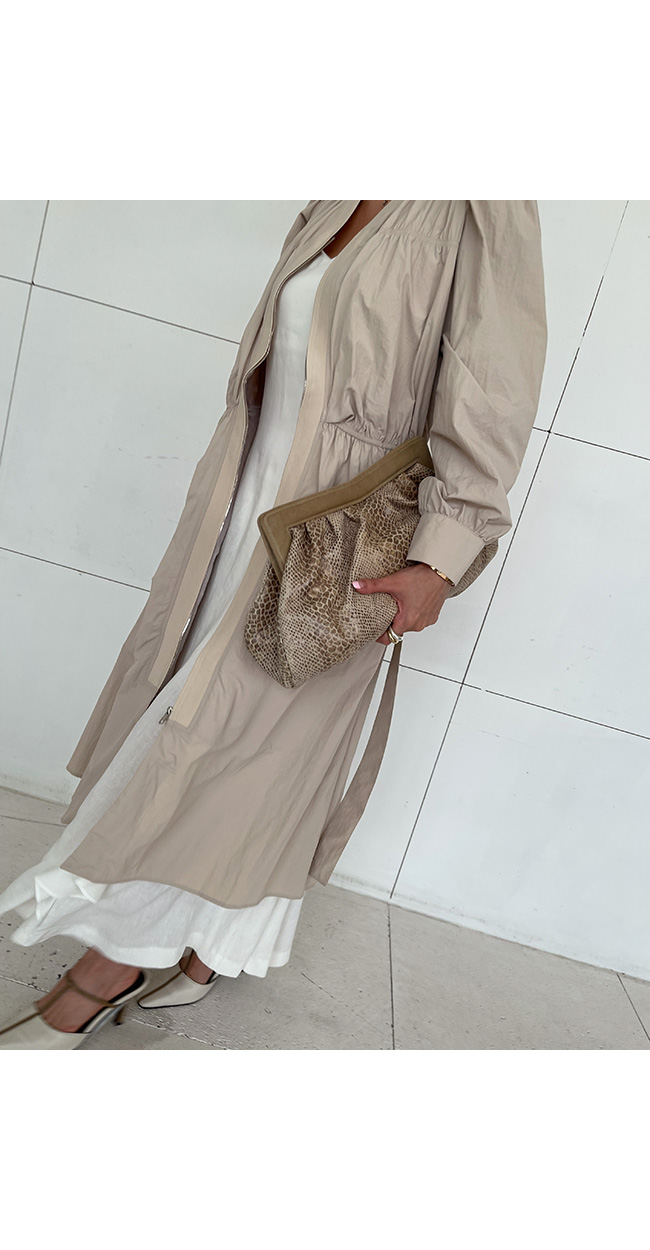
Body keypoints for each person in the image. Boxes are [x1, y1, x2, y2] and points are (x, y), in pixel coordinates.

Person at [0, 200, 548, 1048]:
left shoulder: (480, 202)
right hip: (241, 509)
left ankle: (106, 972)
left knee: (234, 750)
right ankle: (201, 948)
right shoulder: (337, 189)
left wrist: (441, 559)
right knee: (183, 720)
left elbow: (493, 392)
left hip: (336, 542)